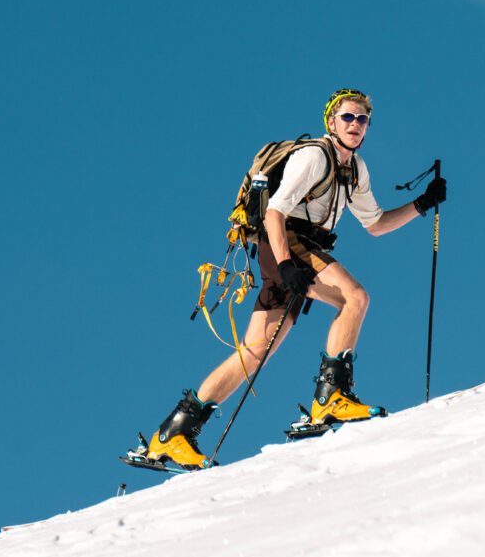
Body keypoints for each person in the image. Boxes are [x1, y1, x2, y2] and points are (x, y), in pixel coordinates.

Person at [146, 88, 446, 469]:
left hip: (296, 253)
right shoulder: (314, 157)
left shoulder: (355, 169)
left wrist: (421, 204)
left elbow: (375, 224)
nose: (355, 124)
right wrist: (287, 264)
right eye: (348, 117)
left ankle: (171, 434)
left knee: (255, 351)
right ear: (331, 122)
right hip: (286, 244)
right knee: (354, 298)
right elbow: (274, 213)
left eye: (362, 119)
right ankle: (330, 398)